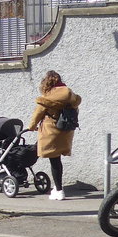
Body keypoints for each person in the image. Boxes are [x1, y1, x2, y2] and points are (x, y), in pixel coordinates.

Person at [27, 70, 82, 200]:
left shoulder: (47, 98)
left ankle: (58, 190)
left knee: (54, 160)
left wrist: (31, 127)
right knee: (57, 161)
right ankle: (58, 189)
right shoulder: (71, 96)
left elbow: (37, 115)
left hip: (51, 131)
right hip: (66, 131)